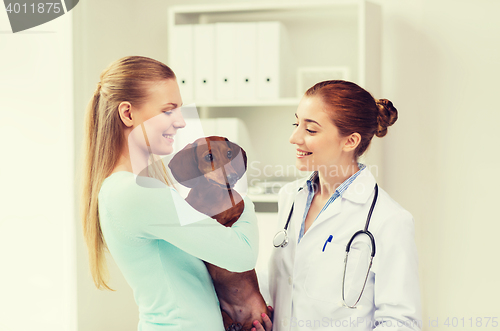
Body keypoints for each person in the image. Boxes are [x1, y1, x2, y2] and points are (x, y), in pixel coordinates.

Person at [80, 55, 271, 331]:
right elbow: (242, 254)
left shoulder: (122, 188)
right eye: (168, 110)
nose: (181, 122)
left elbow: (192, 282)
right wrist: (235, 191)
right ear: (128, 114)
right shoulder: (136, 192)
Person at [254, 80, 422, 331]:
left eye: (310, 130)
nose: (294, 137)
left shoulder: (390, 220)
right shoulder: (290, 197)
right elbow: (288, 282)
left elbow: (400, 323)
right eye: (296, 123)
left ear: (350, 141)